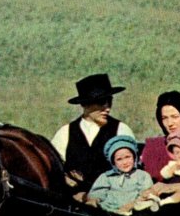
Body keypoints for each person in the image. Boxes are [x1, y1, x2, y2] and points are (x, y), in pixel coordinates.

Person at [51, 73, 135, 201]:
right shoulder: (64, 133)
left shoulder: (121, 130)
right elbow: (54, 172)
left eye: (110, 101)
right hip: (73, 207)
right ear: (85, 104)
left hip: (111, 205)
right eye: (102, 102)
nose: (107, 108)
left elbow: (131, 173)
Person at [85, 135, 154, 216]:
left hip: (131, 214)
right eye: (119, 159)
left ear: (134, 157)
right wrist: (93, 200)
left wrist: (131, 205)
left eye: (128, 157)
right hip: (110, 213)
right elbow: (97, 193)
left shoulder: (142, 175)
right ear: (113, 162)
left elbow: (145, 194)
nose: (124, 162)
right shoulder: (106, 177)